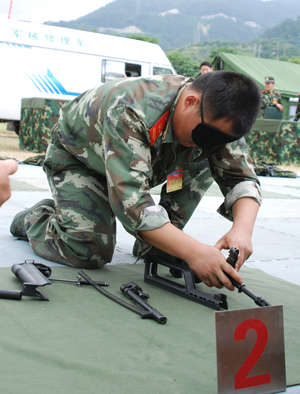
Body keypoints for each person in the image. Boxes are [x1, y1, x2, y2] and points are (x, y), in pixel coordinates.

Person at [10, 71, 262, 292]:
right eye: (206, 134)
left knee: (202, 160)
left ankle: (158, 240)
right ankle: (38, 217)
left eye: (218, 139)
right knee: (89, 251)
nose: (209, 142)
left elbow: (242, 178)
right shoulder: (132, 109)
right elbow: (132, 205)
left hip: (139, 164)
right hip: (81, 158)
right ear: (190, 102)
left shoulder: (219, 121)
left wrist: (242, 231)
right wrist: (194, 252)